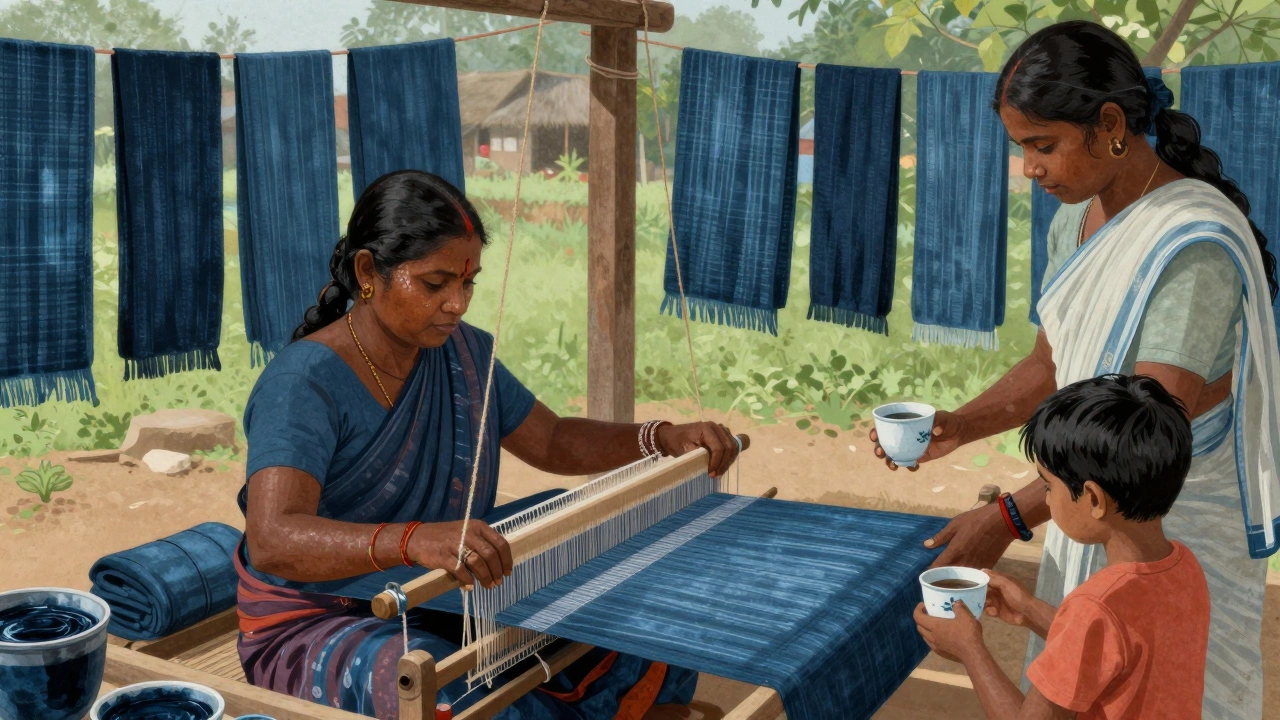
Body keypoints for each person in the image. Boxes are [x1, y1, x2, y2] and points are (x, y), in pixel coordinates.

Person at [871, 20, 1280, 719]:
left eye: (1044, 145)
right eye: (1022, 148)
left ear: (1112, 126)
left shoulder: (1191, 247)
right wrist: (959, 425)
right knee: (1092, 673)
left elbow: (1141, 432)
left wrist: (1007, 515)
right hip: (1090, 505)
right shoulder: (1076, 221)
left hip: (1167, 518)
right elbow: (1053, 361)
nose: (1030, 167)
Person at [234, 169, 742, 719]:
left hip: (442, 591)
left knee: (643, 625)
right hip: (323, 617)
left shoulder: (462, 355)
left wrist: (661, 439)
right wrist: (413, 541)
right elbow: (272, 537)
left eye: (468, 281)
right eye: (435, 283)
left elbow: (551, 440)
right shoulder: (304, 381)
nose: (458, 303)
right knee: (455, 699)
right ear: (367, 272)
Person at [914, 375, 1209, 720]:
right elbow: (1112, 646)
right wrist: (1027, 610)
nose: (1047, 499)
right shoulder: (1184, 566)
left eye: (1047, 485)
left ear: (1095, 499)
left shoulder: (1094, 606)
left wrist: (970, 650)